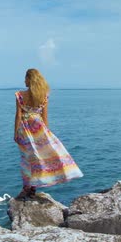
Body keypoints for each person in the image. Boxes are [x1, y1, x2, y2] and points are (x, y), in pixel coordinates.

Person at [14, 68, 83, 199]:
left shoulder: (19, 95)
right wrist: (48, 134)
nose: (24, 80)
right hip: (39, 129)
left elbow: (18, 116)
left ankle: (27, 188)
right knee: (41, 157)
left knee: (27, 159)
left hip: (26, 129)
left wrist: (15, 133)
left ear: (30, 79)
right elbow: (45, 117)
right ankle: (33, 187)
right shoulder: (44, 96)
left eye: (25, 78)